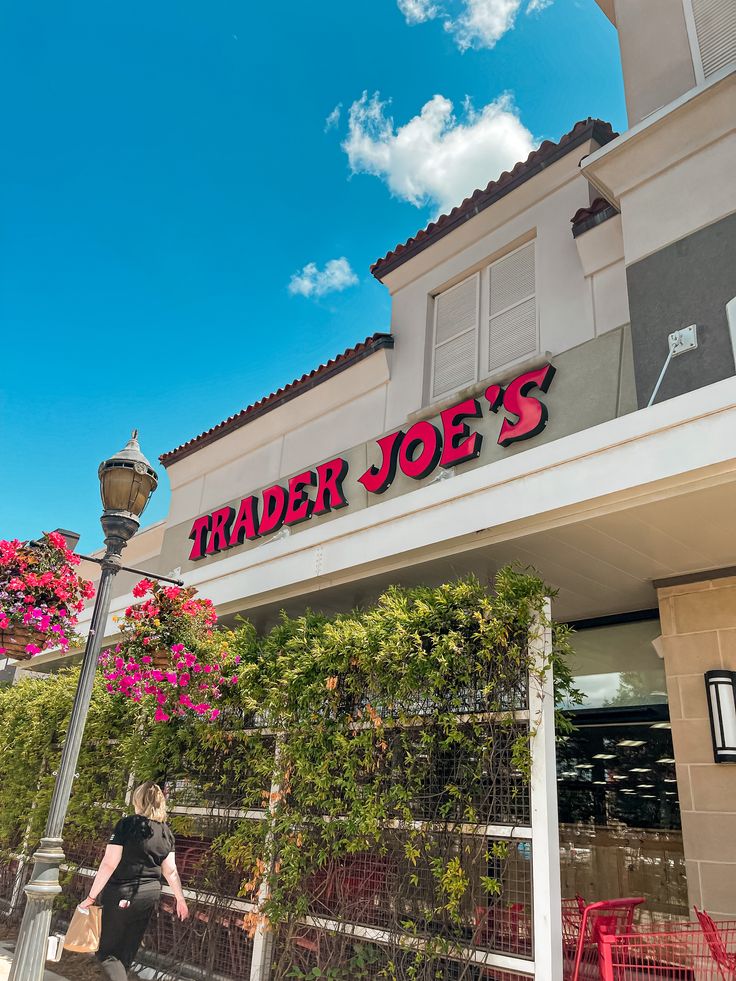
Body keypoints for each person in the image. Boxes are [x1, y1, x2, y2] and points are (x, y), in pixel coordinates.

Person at [79, 781, 189, 980]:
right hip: (149, 896)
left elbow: (108, 864)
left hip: (123, 893)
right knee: (126, 954)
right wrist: (180, 900)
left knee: (108, 954)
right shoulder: (166, 832)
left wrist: (91, 896)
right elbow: (171, 871)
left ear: (138, 800)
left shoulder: (127, 825)